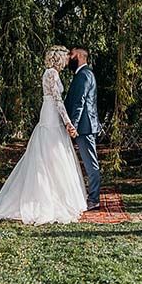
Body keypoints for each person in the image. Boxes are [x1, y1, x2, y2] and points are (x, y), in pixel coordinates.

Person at [0, 46, 87, 225]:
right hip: (51, 115)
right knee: (51, 155)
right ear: (58, 59)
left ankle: (55, 194)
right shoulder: (52, 74)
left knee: (51, 154)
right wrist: (68, 122)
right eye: (64, 58)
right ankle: (47, 198)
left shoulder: (50, 72)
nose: (66, 61)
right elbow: (57, 100)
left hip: (49, 112)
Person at [65, 47, 101, 211]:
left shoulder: (84, 75)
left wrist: (73, 124)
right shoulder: (82, 74)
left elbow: (80, 101)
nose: (69, 58)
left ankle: (94, 199)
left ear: (78, 56)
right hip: (83, 125)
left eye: (71, 54)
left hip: (84, 127)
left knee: (90, 164)